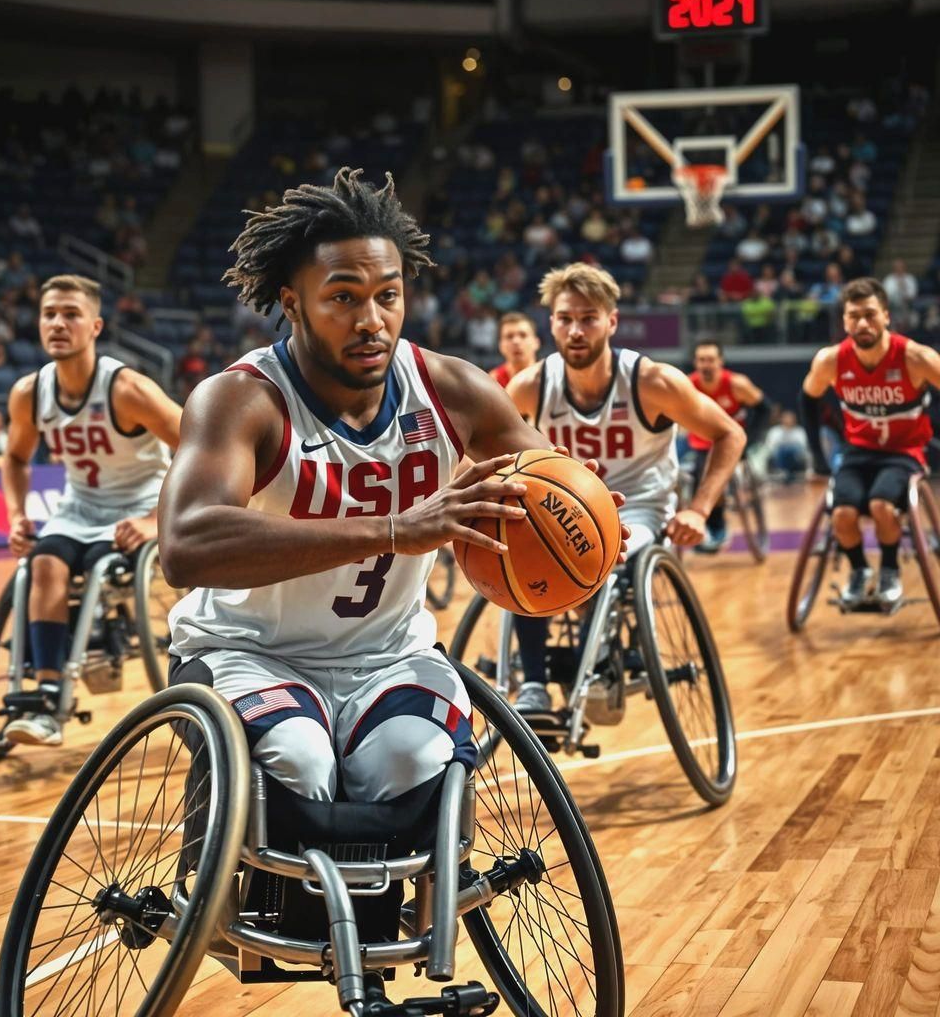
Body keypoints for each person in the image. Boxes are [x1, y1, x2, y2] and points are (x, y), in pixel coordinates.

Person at [157, 171, 629, 938]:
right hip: (249, 651)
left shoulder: (452, 390)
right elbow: (185, 545)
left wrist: (575, 534)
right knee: (300, 757)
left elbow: (551, 487)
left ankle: (390, 918)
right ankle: (217, 889)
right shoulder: (242, 400)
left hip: (388, 654)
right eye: (343, 296)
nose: (372, 318)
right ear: (293, 301)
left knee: (411, 759)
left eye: (388, 294)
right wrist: (391, 529)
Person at [505, 262, 745, 712]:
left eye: (589, 318)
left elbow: (729, 433)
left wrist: (699, 509)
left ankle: (592, 669)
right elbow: (477, 446)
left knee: (597, 554)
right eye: (565, 319)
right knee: (518, 545)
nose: (576, 331)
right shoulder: (534, 385)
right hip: (564, 506)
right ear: (551, 323)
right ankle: (533, 684)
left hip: (639, 510)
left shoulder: (651, 381)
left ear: (611, 322)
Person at [1, 274, 182, 746]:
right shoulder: (29, 393)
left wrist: (153, 521)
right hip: (80, 505)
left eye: (71, 314)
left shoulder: (127, 389)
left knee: (102, 565)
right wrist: (16, 514)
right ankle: (47, 697)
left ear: (95, 326)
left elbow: (200, 448)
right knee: (40, 563)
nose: (58, 323)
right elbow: (16, 458)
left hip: (142, 499)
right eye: (49, 314)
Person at [800, 277, 940, 607]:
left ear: (886, 316)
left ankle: (890, 570)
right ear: (844, 320)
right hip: (858, 452)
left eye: (870, 314)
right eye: (853, 316)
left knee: (880, 505)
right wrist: (818, 458)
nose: (862, 323)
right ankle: (860, 570)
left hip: (904, 453)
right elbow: (808, 400)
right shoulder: (830, 361)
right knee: (842, 515)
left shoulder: (916, 357)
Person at [686, 340, 767, 552]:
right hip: (703, 441)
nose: (706, 364)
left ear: (720, 361)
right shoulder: (687, 386)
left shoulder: (736, 384)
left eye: (711, 360)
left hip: (731, 441)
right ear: (695, 363)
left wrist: (749, 442)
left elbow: (764, 409)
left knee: (713, 475)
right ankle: (709, 524)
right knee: (700, 477)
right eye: (702, 360)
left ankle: (717, 524)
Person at [489, 312, 541, 388]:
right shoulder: (493, 381)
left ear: (536, 342)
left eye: (523, 335)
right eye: (509, 336)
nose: (516, 341)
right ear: (500, 346)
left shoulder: (548, 377)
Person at [764, 410, 810, 483]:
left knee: (792, 449)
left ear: (794, 419)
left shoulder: (800, 431)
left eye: (790, 418)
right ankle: (783, 473)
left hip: (796, 459)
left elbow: (804, 448)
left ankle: (788, 473)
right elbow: (769, 448)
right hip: (779, 458)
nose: (788, 420)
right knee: (782, 450)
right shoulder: (774, 431)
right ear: (781, 419)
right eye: (786, 418)